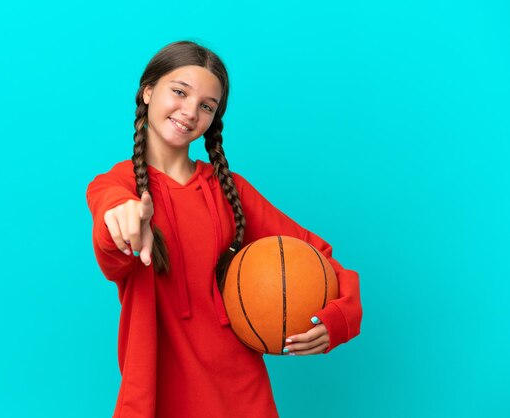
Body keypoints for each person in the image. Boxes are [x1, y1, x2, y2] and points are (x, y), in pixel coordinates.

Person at [86, 40, 362, 418]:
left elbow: (318, 256)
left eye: (206, 106)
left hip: (242, 394)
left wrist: (339, 318)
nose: (189, 111)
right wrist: (120, 222)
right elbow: (111, 248)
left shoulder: (230, 190)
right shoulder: (115, 188)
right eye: (179, 92)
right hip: (154, 396)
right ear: (148, 91)